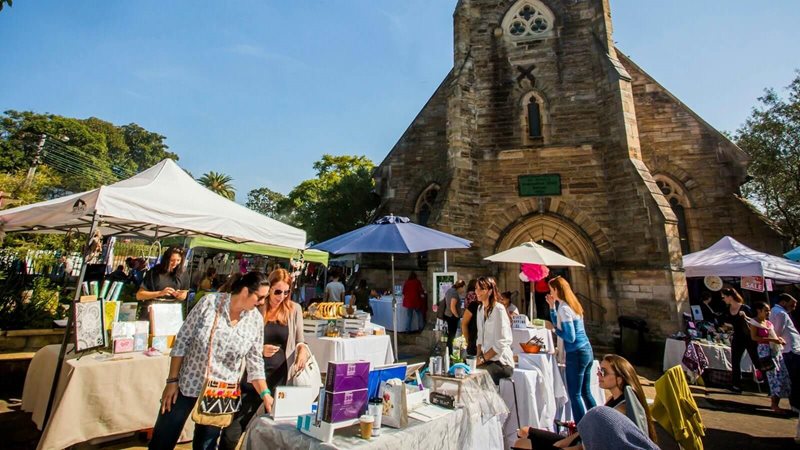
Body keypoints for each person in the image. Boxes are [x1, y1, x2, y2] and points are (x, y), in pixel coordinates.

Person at [148, 271, 271, 450]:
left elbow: (255, 362)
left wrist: (265, 394)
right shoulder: (210, 303)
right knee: (163, 438)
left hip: (220, 392)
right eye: (260, 297)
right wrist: (172, 380)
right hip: (187, 384)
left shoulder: (255, 320)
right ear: (245, 291)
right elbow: (183, 340)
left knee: (206, 444)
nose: (262, 303)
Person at [219, 268, 309, 449]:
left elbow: (300, 340)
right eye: (277, 291)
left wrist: (302, 351)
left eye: (286, 292)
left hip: (280, 377)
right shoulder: (255, 307)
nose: (281, 296)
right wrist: (260, 349)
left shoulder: (293, 309)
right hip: (252, 377)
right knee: (235, 427)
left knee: (274, 430)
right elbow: (241, 339)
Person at [518, 354, 657, 448]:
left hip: (583, 445)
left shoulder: (622, 409)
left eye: (603, 372)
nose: (598, 375)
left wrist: (561, 444)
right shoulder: (614, 400)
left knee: (522, 443)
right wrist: (563, 442)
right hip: (580, 440)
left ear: (619, 379)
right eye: (598, 370)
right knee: (523, 432)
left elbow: (594, 442)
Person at [547, 276, 596, 423]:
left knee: (574, 394)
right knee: (586, 392)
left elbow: (570, 336)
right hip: (587, 351)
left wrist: (553, 329)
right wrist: (551, 307)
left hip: (576, 354)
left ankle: (581, 430)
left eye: (551, 290)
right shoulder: (572, 305)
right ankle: (598, 421)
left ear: (556, 289)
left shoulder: (565, 308)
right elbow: (561, 324)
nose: (550, 293)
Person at [750, 301, 791, 414]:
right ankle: (774, 404)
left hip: (775, 350)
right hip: (765, 351)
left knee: (781, 375)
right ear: (759, 310)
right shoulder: (754, 322)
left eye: (769, 310)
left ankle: (776, 402)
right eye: (766, 310)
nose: (768, 312)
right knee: (773, 376)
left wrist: (779, 340)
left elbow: (773, 335)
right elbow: (754, 337)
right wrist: (772, 340)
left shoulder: (768, 323)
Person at [770, 293, 800, 442]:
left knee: (792, 378)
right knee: (793, 378)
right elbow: (778, 331)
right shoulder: (780, 313)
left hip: (791, 349)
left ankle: (793, 404)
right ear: (783, 301)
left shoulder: (779, 312)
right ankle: (794, 405)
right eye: (792, 304)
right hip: (789, 349)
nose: (794, 307)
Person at [475, 276, 514, 384]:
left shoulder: (499, 309)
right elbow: (479, 338)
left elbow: (501, 342)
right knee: (466, 371)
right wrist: (478, 357)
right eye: (476, 288)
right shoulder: (480, 309)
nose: (477, 292)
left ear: (490, 291)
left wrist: (482, 360)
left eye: (481, 289)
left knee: (479, 375)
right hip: (487, 360)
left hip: (502, 363)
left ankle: (490, 401)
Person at [720, 287, 759, 393]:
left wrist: (745, 317)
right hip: (737, 337)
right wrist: (725, 327)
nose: (723, 299)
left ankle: (767, 383)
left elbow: (755, 322)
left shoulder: (744, 308)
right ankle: (736, 385)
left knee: (756, 360)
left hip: (749, 337)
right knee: (735, 361)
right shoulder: (727, 310)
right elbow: (727, 324)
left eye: (724, 297)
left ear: (730, 297)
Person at [136, 247, 189, 315]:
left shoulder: (183, 273)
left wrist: (179, 295)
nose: (175, 263)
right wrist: (160, 293)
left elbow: (184, 296)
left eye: (178, 260)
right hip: (153, 311)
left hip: (173, 312)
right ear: (166, 260)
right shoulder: (154, 272)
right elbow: (139, 295)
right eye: (172, 260)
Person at [444, 279, 466, 354]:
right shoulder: (454, 293)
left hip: (448, 315)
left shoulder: (449, 290)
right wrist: (457, 316)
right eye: (463, 288)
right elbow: (452, 306)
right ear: (460, 287)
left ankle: (448, 351)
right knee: (453, 335)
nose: (463, 290)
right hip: (452, 317)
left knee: (450, 335)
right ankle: (450, 352)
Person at [462, 290, 481, 357]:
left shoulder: (494, 307)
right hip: (473, 343)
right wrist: (468, 341)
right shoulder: (473, 305)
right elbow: (464, 323)